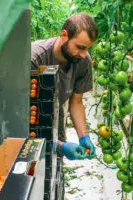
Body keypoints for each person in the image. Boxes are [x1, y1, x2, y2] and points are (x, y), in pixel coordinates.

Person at [31, 12, 99, 160]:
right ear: (64, 35)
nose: (83, 54)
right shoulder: (35, 58)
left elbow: (76, 101)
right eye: (80, 47)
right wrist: (60, 145)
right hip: (30, 119)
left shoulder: (83, 62)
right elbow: (23, 115)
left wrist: (84, 136)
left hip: (56, 114)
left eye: (88, 49)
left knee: (54, 168)